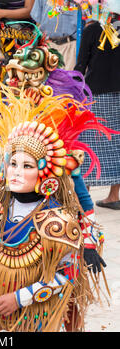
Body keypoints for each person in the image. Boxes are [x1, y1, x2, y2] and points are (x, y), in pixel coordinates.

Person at [0, 88, 110, 332]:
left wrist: (19, 298)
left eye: (26, 166)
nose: (15, 171)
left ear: (43, 173)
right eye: (12, 163)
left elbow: (66, 275)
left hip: (33, 318)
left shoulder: (59, 220)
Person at [74, 15, 120, 210]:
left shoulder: (92, 30)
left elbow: (81, 65)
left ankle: (82, 198)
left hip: (96, 96)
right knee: (117, 145)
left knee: (89, 146)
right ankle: (114, 195)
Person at [30, 0, 78, 71]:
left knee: (67, 79)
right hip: (47, 45)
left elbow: (89, 24)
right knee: (45, 79)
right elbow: (37, 22)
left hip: (70, 46)